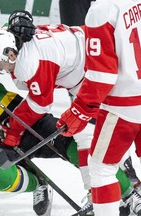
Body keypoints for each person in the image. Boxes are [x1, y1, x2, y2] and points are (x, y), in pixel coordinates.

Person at [0, 36, 141, 216]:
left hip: (20, 117)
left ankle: (130, 194)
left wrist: (17, 27)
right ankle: (38, 183)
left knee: (77, 145)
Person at [55, 0, 141, 215]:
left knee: (101, 168)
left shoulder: (101, 10)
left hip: (124, 106)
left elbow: (102, 76)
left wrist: (79, 109)